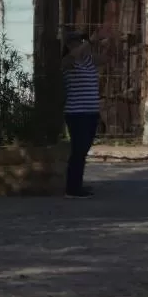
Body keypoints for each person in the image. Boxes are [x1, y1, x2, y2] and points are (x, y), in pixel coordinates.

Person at [61, 30, 104, 198]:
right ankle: (72, 189)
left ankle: (77, 185)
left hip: (91, 113)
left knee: (83, 151)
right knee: (78, 151)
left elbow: (108, 59)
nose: (80, 44)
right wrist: (90, 41)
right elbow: (75, 55)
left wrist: (111, 41)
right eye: (77, 42)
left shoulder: (88, 60)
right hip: (76, 113)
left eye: (81, 41)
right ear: (69, 45)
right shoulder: (68, 62)